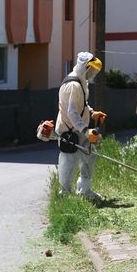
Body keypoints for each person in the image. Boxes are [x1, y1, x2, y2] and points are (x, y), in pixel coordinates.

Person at [37, 51, 107, 200]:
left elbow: (81, 105)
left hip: (78, 130)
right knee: (69, 164)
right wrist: (86, 130)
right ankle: (66, 195)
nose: (93, 73)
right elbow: (71, 112)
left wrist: (92, 112)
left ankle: (85, 191)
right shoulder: (74, 84)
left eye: (95, 71)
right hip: (70, 132)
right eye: (92, 70)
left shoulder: (81, 81)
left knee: (90, 157)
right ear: (84, 67)